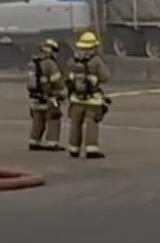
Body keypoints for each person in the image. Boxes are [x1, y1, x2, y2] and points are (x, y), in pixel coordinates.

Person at [65, 29, 109, 159]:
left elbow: (67, 76)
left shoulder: (72, 60)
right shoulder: (96, 61)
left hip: (75, 99)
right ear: (93, 47)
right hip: (92, 100)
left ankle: (73, 149)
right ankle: (91, 149)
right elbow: (105, 77)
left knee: (75, 124)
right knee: (91, 123)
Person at [26, 38, 65, 152]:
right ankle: (52, 143)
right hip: (49, 98)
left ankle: (34, 141)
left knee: (37, 121)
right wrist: (63, 92)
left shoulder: (33, 62)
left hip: (35, 99)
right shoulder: (50, 63)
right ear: (52, 51)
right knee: (54, 119)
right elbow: (56, 81)